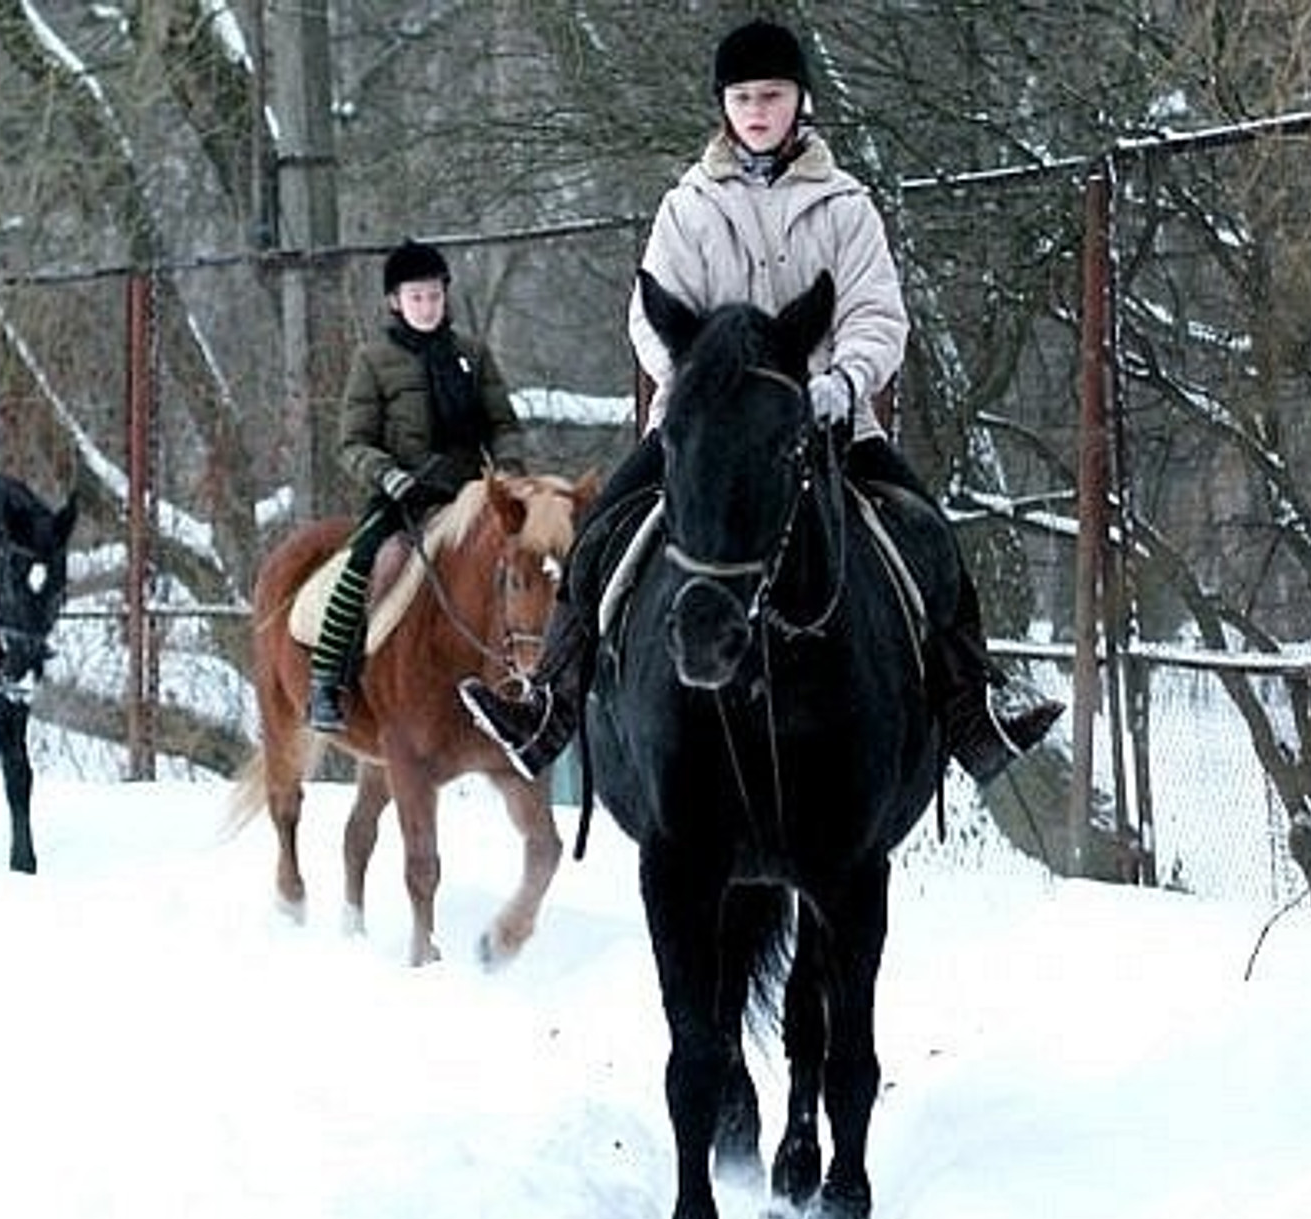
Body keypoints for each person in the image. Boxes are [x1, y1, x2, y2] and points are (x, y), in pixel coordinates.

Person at [459, 18, 1062, 784]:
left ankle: (972, 714)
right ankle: (552, 703)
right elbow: (651, 312)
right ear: (723, 106)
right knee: (604, 532)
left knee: (927, 533)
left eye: (770, 95)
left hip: (827, 420)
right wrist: (690, 391)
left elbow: (878, 314)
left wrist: (843, 382)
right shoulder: (688, 207)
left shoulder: (846, 206)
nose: (756, 109)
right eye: (742, 97)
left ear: (799, 101)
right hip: (707, 433)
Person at [306, 239, 524, 731]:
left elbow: (503, 425)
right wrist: (387, 474)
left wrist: (507, 468)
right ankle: (328, 679)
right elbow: (352, 442)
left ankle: (529, 680)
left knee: (529, 557)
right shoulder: (373, 359)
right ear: (396, 302)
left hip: (471, 493)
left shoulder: (473, 354)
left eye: (434, 295)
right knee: (366, 559)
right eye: (416, 297)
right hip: (403, 494)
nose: (427, 306)